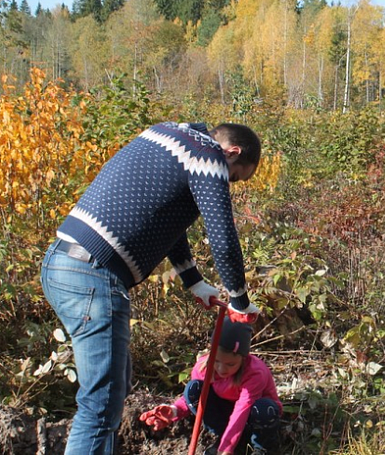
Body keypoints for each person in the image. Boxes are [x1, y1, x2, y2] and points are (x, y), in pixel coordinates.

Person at [40, 122, 264, 454]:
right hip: (94, 276)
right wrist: (240, 300)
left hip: (59, 264)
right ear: (233, 153)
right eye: (234, 177)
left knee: (114, 386)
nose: (228, 183)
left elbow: (168, 218)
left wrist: (195, 281)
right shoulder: (209, 157)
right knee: (100, 406)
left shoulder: (168, 134)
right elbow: (223, 238)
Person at [140, 317, 282, 455]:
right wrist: (174, 410)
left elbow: (243, 407)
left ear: (243, 358)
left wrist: (227, 446)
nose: (221, 369)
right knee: (193, 388)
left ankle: (259, 446)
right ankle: (225, 436)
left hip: (253, 416)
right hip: (226, 414)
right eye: (217, 361)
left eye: (230, 364)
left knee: (264, 409)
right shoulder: (204, 367)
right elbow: (194, 398)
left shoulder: (255, 372)